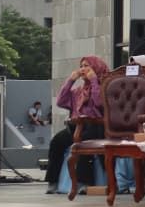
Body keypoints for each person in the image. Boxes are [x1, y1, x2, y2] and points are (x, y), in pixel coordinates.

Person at [44, 55, 109, 194]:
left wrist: (94, 80)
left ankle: (83, 182)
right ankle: (53, 181)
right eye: (81, 66)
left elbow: (99, 103)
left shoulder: (105, 87)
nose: (83, 69)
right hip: (76, 126)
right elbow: (60, 101)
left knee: (84, 142)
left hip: (97, 126)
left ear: (96, 68)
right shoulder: (79, 90)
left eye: (87, 66)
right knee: (56, 141)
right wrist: (70, 80)